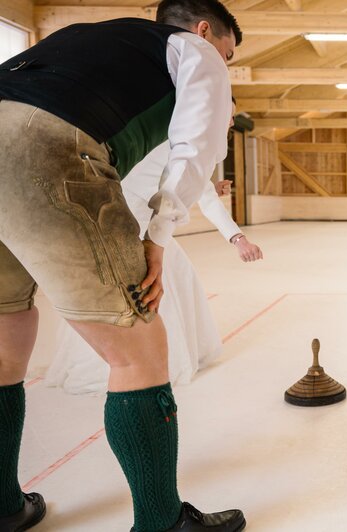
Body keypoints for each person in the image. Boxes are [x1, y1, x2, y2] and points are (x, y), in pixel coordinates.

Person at [0, 0, 248, 529]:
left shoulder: (92, 37)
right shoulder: (196, 49)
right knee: (137, 346)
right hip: (42, 150)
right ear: (206, 31)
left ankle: (1, 506)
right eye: (226, 54)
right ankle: (161, 521)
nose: (222, 65)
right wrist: (158, 234)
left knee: (4, 331)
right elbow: (196, 145)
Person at [47, 137, 264, 396]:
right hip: (138, 229)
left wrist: (207, 187)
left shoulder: (150, 137)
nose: (228, 125)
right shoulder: (190, 142)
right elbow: (202, 198)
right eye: (228, 117)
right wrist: (238, 239)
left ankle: (121, 358)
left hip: (119, 219)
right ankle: (143, 364)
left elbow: (167, 182)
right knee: (156, 287)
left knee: (168, 277)